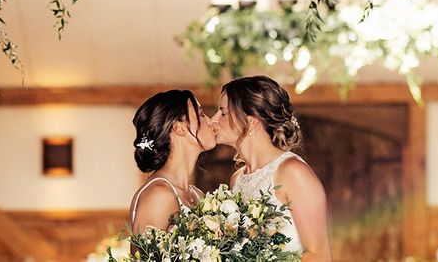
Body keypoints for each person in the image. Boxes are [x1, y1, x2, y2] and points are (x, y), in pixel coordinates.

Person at [211, 75, 332, 262]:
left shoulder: (293, 173)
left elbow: (319, 255)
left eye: (223, 113)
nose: (213, 120)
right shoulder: (237, 179)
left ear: (250, 122)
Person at [129, 89, 216, 232]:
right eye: (201, 114)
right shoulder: (159, 196)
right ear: (179, 128)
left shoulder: (198, 195)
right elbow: (142, 255)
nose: (210, 121)